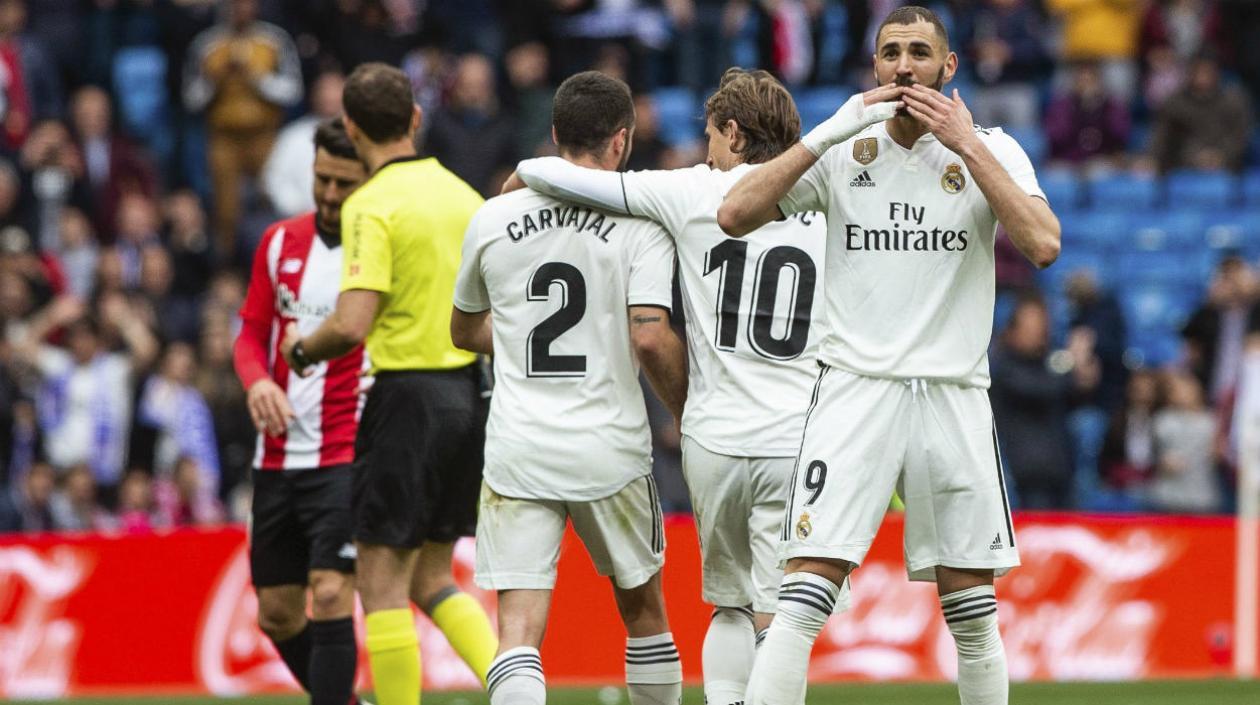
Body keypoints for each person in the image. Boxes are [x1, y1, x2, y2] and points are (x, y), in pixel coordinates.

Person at [717, 6, 1061, 705]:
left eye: (920, 53)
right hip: (856, 389)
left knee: (971, 608)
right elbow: (733, 214)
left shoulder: (993, 147)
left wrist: (968, 146)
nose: (905, 66)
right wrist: (827, 132)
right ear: (874, 67)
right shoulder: (847, 145)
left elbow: (1043, 243)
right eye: (891, 53)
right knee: (803, 592)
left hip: (951, 394)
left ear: (949, 66)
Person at [513, 67, 830, 705]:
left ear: (734, 134)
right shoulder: (827, 199)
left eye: (712, 136)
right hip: (796, 438)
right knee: (784, 619)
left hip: (712, 436)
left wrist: (522, 175)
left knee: (729, 606)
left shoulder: (689, 192)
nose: (706, 151)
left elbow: (562, 174)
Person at [452, 70, 687, 705]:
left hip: (520, 447)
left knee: (519, 635)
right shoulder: (642, 225)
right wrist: (689, 411)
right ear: (623, 141)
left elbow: (463, 329)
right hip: (610, 447)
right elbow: (648, 335)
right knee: (643, 616)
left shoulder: (495, 216)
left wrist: (522, 335)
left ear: (554, 135)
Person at [279, 62, 497, 705]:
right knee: (431, 577)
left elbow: (350, 325)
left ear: (350, 125)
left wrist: (300, 348)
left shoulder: (369, 204)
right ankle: (518, 690)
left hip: (406, 399)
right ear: (416, 119)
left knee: (378, 583)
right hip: (470, 396)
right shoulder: (465, 197)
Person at [234, 118, 367, 705]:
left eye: (344, 182)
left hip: (346, 450)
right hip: (278, 455)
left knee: (333, 592)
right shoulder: (279, 241)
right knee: (278, 614)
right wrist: (258, 381)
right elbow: (249, 334)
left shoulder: (379, 249)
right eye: (322, 180)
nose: (331, 195)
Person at [183, 0, 302, 259]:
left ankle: (281, 257)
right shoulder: (208, 44)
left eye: (247, 5)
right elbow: (190, 98)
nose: (241, 10)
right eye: (235, 5)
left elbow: (293, 90)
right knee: (225, 209)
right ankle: (227, 264)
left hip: (265, 135)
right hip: (223, 137)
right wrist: (216, 79)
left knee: (273, 199)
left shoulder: (274, 40)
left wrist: (257, 78)